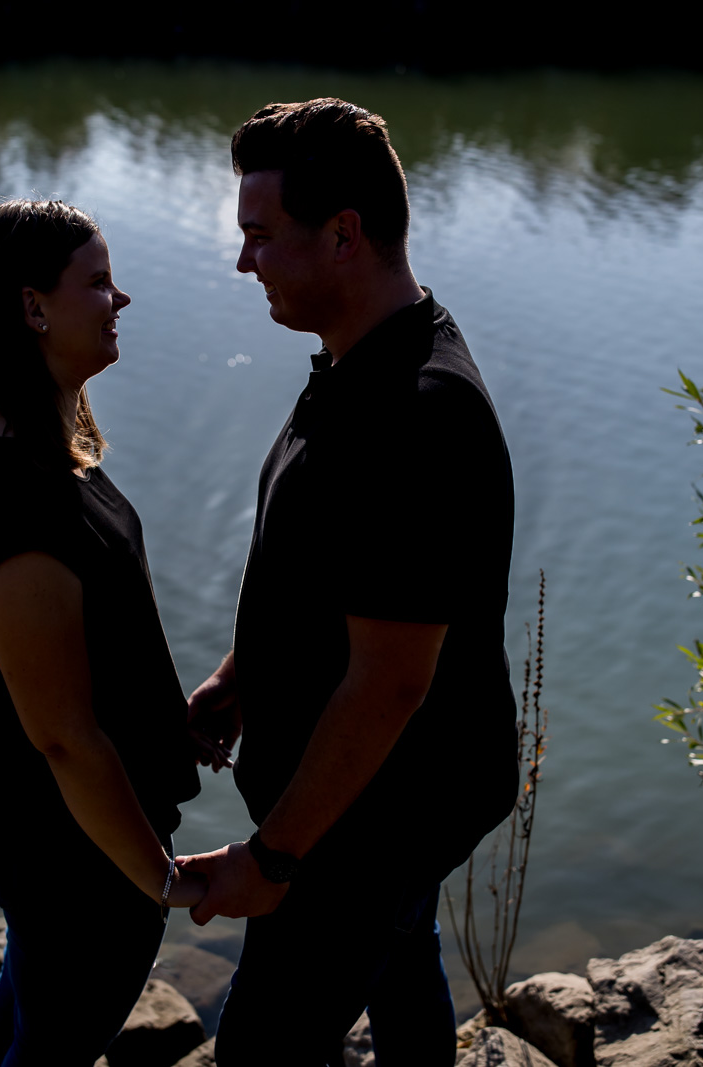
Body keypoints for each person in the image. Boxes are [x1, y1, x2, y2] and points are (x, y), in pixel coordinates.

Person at [180, 100, 519, 1066]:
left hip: (369, 819)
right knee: (405, 968)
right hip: (377, 798)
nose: (245, 262)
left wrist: (272, 858)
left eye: (259, 237)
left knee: (261, 1051)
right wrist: (241, 677)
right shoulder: (352, 364)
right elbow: (326, 567)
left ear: (343, 235)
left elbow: (391, 681)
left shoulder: (417, 413)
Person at [0, 199, 206, 1067]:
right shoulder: (13, 496)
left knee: (31, 1010)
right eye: (97, 282)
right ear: (32, 307)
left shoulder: (51, 451)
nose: (120, 299)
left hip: (69, 827)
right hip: (74, 844)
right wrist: (158, 879)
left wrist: (174, 720)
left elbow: (88, 659)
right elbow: (60, 733)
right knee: (55, 1041)